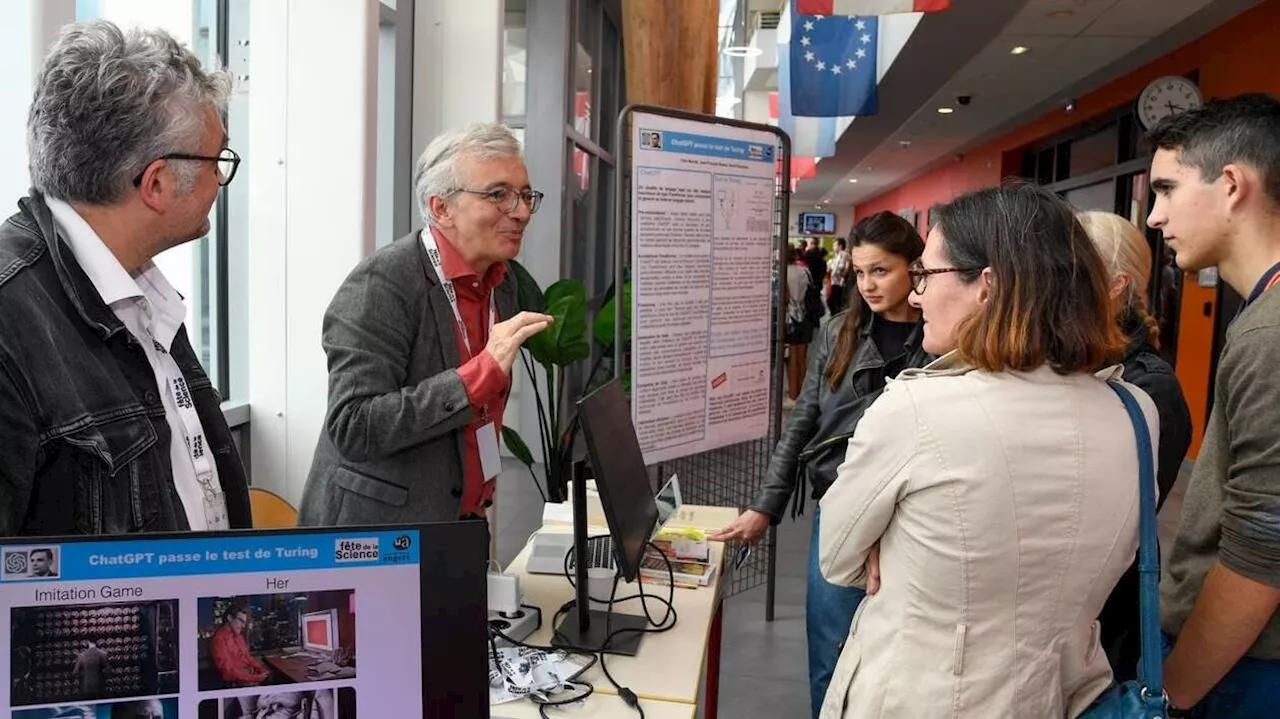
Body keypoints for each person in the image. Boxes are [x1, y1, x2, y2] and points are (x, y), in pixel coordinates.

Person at [816, 183, 1159, 718]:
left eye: (927, 275)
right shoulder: (1136, 412)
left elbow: (837, 559)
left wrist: (900, 543)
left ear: (988, 286)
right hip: (1061, 698)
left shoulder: (918, 407)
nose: (915, 294)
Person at [0, 20, 251, 535]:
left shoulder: (141, 294)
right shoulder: (12, 317)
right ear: (156, 183)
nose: (220, 180)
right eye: (215, 161)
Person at [711, 212, 931, 717]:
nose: (868, 284)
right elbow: (803, 424)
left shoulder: (941, 340)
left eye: (881, 270)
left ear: (914, 269)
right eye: (859, 272)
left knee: (904, 664)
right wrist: (765, 507)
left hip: (916, 521)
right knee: (829, 655)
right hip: (840, 511)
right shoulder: (839, 332)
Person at [298, 124, 553, 528]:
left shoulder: (502, 283)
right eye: (499, 194)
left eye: (524, 195)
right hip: (375, 539)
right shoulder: (382, 284)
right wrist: (477, 376)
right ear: (440, 208)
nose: (521, 211)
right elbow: (354, 425)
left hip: (461, 521)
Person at [1147, 93, 1280, 718]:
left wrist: (1174, 692)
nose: (1153, 216)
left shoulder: (1269, 335)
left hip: (1249, 671)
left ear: (1231, 184)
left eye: (1167, 189)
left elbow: (1263, 549)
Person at [1078, 211, 1193, 681]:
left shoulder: (1152, 389)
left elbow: (1115, 524)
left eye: (1072, 271)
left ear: (1116, 284)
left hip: (1103, 624)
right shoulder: (1064, 360)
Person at [210, 607, 269, 687]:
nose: (243, 626)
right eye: (241, 621)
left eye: (245, 623)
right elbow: (229, 673)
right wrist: (256, 678)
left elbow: (248, 658)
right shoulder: (218, 640)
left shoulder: (238, 636)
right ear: (230, 618)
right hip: (237, 684)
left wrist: (262, 670)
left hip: (249, 676)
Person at [826, 238, 850, 315]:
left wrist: (842, 278)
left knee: (834, 301)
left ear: (840, 246)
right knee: (832, 301)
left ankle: (836, 317)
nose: (833, 247)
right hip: (834, 281)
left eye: (834, 245)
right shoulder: (837, 255)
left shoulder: (844, 254)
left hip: (839, 282)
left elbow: (844, 268)